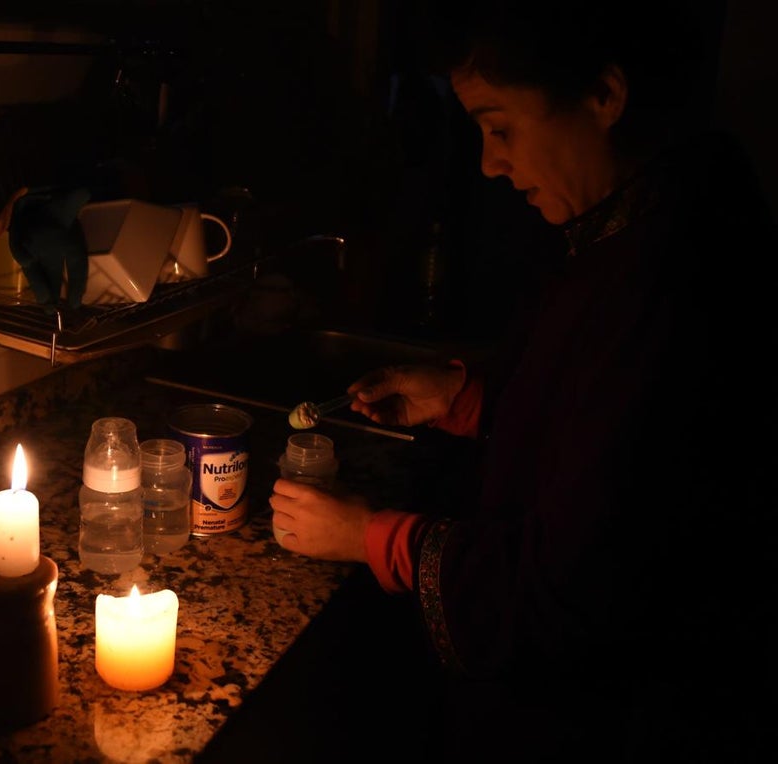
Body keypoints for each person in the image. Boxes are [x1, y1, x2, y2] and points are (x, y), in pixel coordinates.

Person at [269, 1, 776, 761]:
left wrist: (366, 534)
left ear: (604, 97)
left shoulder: (670, 278)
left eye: (499, 126)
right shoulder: (640, 221)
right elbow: (595, 429)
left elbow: (566, 590)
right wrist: (471, 400)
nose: (488, 164)